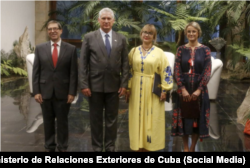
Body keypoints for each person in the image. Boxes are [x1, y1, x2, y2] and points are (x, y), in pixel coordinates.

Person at [79, 7, 129, 152]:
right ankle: (96, 147)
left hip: (114, 86)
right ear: (98, 20)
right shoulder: (89, 37)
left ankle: (110, 146)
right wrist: (84, 84)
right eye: (103, 18)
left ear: (113, 21)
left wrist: (124, 83)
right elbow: (83, 63)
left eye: (109, 19)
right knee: (95, 119)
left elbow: (125, 63)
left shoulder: (121, 38)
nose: (106, 21)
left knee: (112, 119)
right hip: (94, 87)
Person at [126, 24, 173, 152]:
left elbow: (166, 71)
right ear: (141, 34)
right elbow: (128, 71)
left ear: (154, 36)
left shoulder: (159, 53)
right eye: (145, 32)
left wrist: (165, 89)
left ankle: (150, 147)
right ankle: (138, 146)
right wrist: (128, 88)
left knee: (152, 118)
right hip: (136, 89)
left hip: (152, 90)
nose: (147, 35)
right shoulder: (133, 51)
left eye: (150, 33)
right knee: (136, 117)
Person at [32, 20, 78, 152]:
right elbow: (36, 72)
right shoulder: (40, 48)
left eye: (55, 29)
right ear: (47, 32)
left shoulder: (71, 49)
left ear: (60, 31)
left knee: (63, 121)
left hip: (63, 93)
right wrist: (36, 91)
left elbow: (73, 73)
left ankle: (63, 146)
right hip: (45, 92)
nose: (53, 31)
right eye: (50, 29)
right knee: (47, 121)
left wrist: (72, 92)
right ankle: (49, 146)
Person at [171, 21, 211, 152]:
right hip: (184, 88)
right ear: (186, 33)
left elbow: (207, 70)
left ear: (198, 33)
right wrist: (182, 88)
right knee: (184, 118)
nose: (191, 34)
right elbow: (176, 69)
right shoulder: (181, 49)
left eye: (194, 31)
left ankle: (193, 147)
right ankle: (186, 148)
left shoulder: (205, 50)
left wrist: (200, 89)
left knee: (197, 118)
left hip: (199, 90)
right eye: (189, 31)